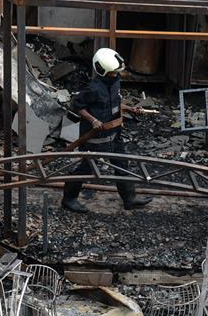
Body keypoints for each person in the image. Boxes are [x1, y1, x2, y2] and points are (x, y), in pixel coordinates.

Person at [61, 48, 153, 213]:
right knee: (86, 168)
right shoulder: (93, 89)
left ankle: (129, 199)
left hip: (114, 134)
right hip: (95, 139)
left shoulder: (115, 82)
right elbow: (77, 106)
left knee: (122, 165)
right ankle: (68, 199)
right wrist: (93, 120)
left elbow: (115, 103)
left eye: (116, 72)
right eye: (111, 73)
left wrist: (131, 109)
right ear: (101, 70)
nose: (115, 75)